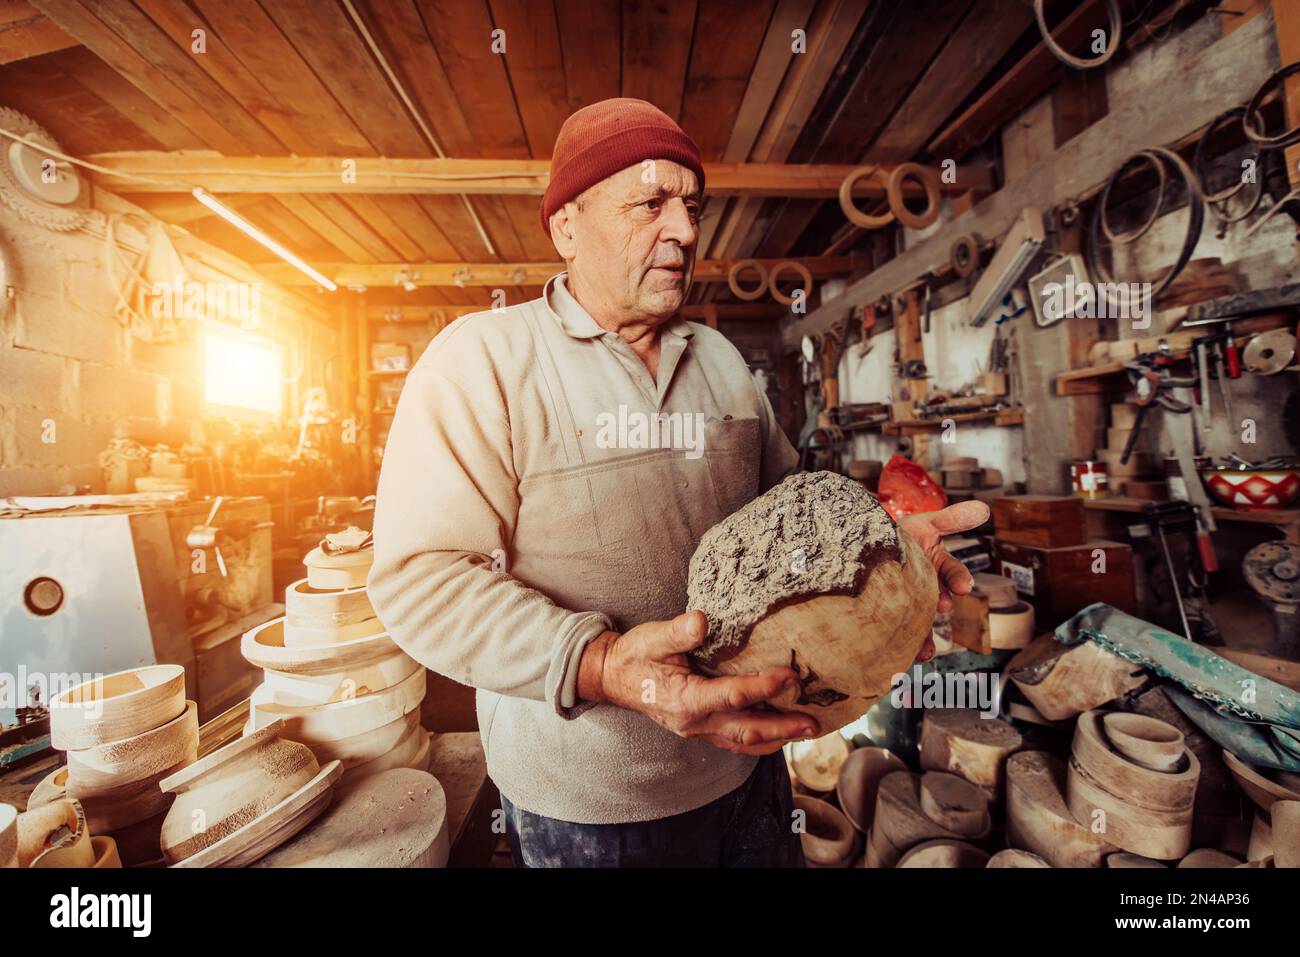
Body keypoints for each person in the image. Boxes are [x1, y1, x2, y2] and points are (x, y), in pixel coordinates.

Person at [369, 97, 988, 866]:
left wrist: (883, 548)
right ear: (567, 226)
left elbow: (795, 517)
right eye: (650, 203)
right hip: (594, 805)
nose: (686, 231)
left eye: (691, 206)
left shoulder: (723, 362)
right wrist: (600, 664)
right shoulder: (482, 362)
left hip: (750, 765)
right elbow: (418, 581)